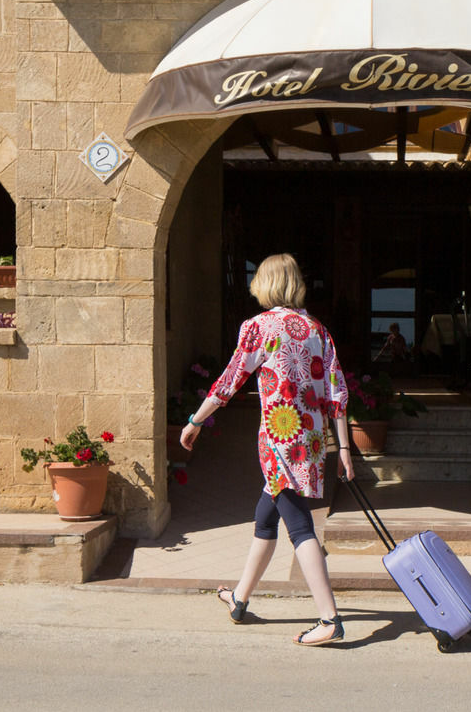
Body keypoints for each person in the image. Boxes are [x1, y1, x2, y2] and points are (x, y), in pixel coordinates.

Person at [180, 252, 353, 647]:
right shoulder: (317, 330)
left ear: (266, 284)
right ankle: (240, 599)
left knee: (299, 525)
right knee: (265, 517)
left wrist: (195, 421)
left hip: (278, 441)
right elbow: (338, 392)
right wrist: (343, 447)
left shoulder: (259, 327)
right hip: (308, 442)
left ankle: (329, 618)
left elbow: (229, 381)